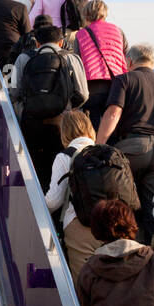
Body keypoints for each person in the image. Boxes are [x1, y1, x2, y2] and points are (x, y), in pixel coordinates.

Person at [96, 44, 154, 243]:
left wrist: (98, 145)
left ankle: (124, 245)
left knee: (121, 202)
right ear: (152, 62)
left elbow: (113, 113)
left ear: (129, 61)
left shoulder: (125, 80)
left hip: (132, 148)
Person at [14, 24, 89, 191]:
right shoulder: (71, 58)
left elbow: (15, 91)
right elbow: (83, 93)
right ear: (61, 42)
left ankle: (38, 203)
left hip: (31, 122)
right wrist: (68, 106)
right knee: (62, 165)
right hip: (62, 121)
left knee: (34, 167)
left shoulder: (24, 59)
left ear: (37, 43)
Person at [43, 109, 100, 278]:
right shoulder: (106, 153)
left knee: (83, 282)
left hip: (79, 225)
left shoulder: (65, 156)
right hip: (110, 224)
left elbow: (54, 201)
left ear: (64, 131)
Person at [73, 0, 128, 127]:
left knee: (95, 122)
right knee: (114, 123)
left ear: (86, 14)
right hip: (116, 83)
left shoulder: (81, 34)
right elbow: (125, 55)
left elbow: (78, 61)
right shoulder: (118, 31)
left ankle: (98, 145)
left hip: (93, 85)